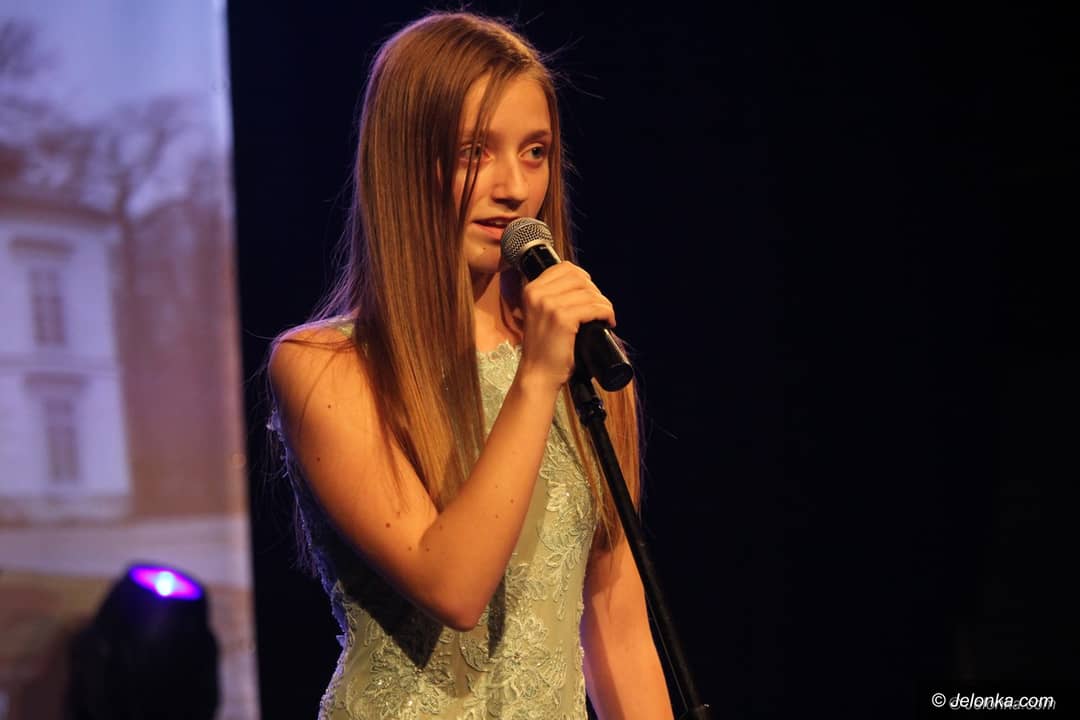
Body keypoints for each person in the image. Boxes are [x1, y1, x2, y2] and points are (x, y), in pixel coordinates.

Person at [268, 11, 674, 719]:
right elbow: (453, 586)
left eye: (535, 151)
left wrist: (550, 363)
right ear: (404, 161)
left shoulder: (584, 363)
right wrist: (537, 377)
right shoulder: (326, 368)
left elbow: (618, 622)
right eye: (474, 152)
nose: (514, 187)